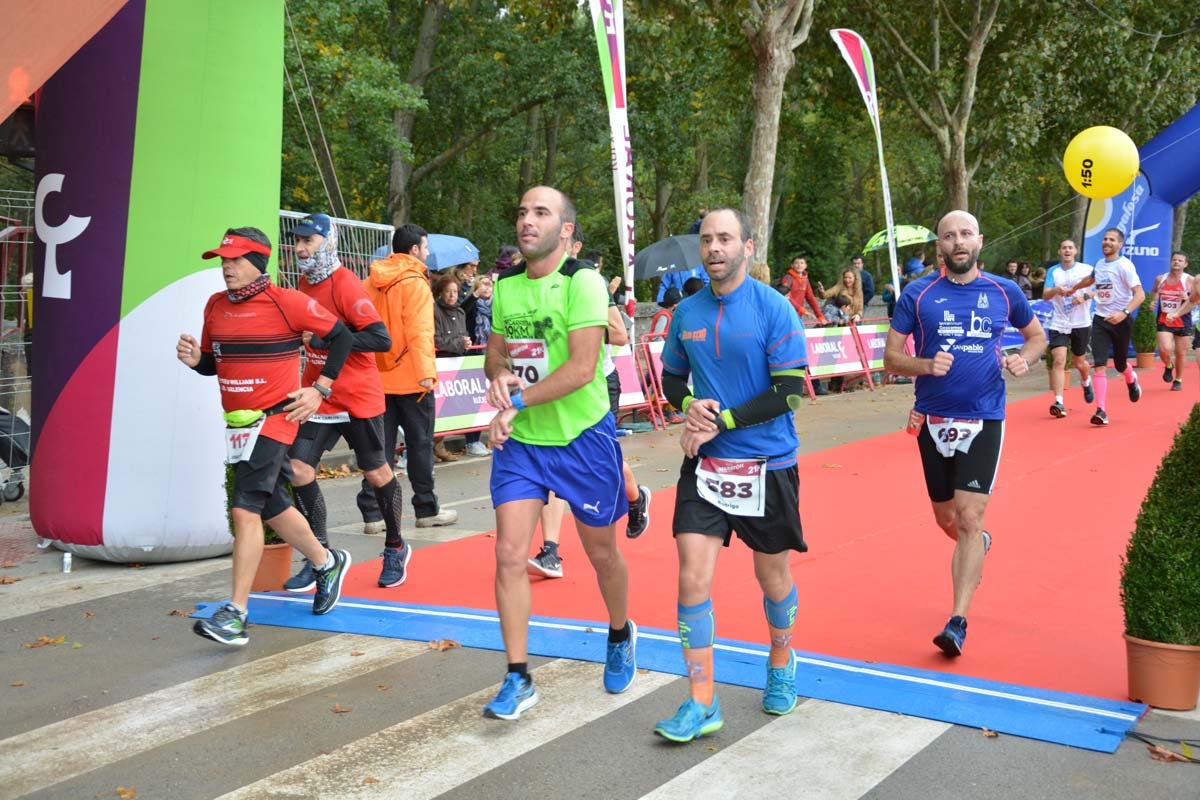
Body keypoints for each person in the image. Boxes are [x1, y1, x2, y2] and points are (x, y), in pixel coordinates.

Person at [653, 207, 810, 743]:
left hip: (767, 464)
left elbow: (789, 390)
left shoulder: (775, 308)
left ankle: (782, 659)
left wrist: (721, 418)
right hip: (706, 467)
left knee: (772, 578)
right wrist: (690, 405)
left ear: (748, 245)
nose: (714, 247)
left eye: (725, 238)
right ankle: (702, 700)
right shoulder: (685, 313)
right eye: (706, 239)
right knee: (691, 576)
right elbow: (673, 379)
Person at [482, 186, 636, 720]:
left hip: (582, 440)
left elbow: (579, 369)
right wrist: (499, 375)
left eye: (540, 213)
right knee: (508, 554)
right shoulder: (505, 286)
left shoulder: (584, 282)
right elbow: (496, 352)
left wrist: (514, 401)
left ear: (565, 230)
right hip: (523, 444)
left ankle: (619, 632)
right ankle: (518, 676)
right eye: (522, 211)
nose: (527, 220)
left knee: (601, 555)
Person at [176, 227, 353, 647]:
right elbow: (215, 365)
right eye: (222, 260)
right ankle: (326, 561)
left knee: (245, 509)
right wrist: (197, 360)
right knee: (271, 503)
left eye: (235, 260)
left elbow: (343, 336)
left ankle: (236, 612)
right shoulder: (215, 307)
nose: (226, 267)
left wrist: (320, 388)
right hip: (239, 425)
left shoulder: (286, 302)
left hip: (276, 418)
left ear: (258, 262)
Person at [883, 210, 1045, 657]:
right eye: (950, 235)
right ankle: (979, 545)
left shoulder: (1004, 290)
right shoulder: (917, 295)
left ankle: (957, 621)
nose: (958, 242)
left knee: (970, 517)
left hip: (984, 417)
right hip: (932, 419)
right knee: (947, 520)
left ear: (980, 241)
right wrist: (924, 365)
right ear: (939, 246)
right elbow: (891, 359)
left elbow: (1037, 337)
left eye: (966, 234)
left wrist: (1024, 360)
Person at [280, 214, 414, 593]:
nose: (301, 248)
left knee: (376, 473)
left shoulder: (347, 285)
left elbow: (380, 339)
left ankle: (395, 546)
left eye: (309, 241)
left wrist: (324, 342)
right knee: (298, 469)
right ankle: (320, 556)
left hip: (357, 396)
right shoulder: (305, 283)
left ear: (328, 242)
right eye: (298, 241)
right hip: (317, 397)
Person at [528, 222, 652, 579]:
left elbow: (618, 335)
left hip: (596, 383)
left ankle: (634, 498)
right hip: (552, 386)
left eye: (562, 241)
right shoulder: (533, 283)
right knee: (549, 464)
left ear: (576, 246)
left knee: (602, 461)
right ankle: (550, 551)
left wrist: (579, 328)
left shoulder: (590, 283)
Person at [356, 224, 459, 530]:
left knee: (380, 450)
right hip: (413, 379)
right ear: (415, 249)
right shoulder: (415, 282)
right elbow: (420, 331)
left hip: (377, 377)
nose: (427, 254)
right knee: (420, 445)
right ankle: (426, 509)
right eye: (425, 249)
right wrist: (427, 372)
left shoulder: (370, 282)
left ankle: (374, 514)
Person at [1073, 227, 1145, 425]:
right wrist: (1074, 288)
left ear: (1120, 245)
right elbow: (1092, 279)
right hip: (1100, 320)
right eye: (1105, 239)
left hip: (1122, 321)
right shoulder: (1100, 264)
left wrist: (1124, 313)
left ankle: (1131, 379)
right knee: (1100, 365)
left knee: (1121, 364)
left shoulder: (1125, 266)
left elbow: (1140, 295)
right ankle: (1101, 410)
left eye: (1112, 240)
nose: (1107, 242)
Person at [1041, 238, 1095, 418]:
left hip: (1081, 321)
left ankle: (1086, 381)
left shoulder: (1086, 270)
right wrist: (1056, 290)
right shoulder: (1053, 272)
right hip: (1059, 322)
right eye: (1063, 248)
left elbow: (1099, 290)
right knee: (1058, 360)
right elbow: (1045, 296)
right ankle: (1058, 401)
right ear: (1059, 252)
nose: (1067, 250)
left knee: (1080, 362)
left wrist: (1084, 296)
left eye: (1070, 248)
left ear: (1075, 251)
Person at [1149, 251, 1193, 390]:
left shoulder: (1189, 280)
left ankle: (1178, 379)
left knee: (1180, 353)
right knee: (1164, 349)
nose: (1176, 262)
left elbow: (1195, 300)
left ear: (1185, 264)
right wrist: (1153, 301)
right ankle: (1168, 365)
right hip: (1164, 319)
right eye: (1174, 259)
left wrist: (1186, 297)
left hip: (1182, 320)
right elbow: (1155, 290)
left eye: (1180, 260)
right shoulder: (1160, 278)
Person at [778, 256, 827, 324]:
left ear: (805, 266)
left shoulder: (805, 281)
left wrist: (820, 316)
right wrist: (801, 310)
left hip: (797, 315)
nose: (799, 265)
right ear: (792, 265)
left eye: (802, 263)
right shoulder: (787, 279)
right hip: (785, 313)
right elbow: (786, 297)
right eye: (796, 263)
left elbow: (811, 299)